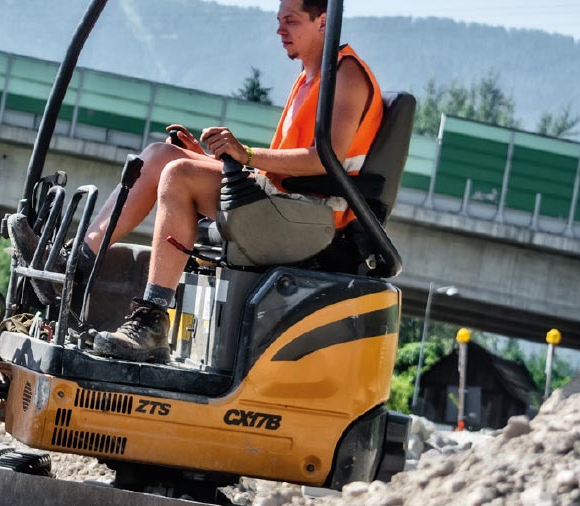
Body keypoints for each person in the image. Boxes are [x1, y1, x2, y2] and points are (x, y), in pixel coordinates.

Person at [79, 0, 382, 362]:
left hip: (316, 216)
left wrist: (244, 155)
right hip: (289, 200)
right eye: (278, 21)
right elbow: (280, 169)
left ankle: (152, 319)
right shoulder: (308, 79)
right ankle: (78, 259)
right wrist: (208, 161)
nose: (279, 30)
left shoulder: (345, 75)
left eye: (291, 20)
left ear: (324, 22)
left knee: (178, 175)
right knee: (161, 156)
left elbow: (324, 158)